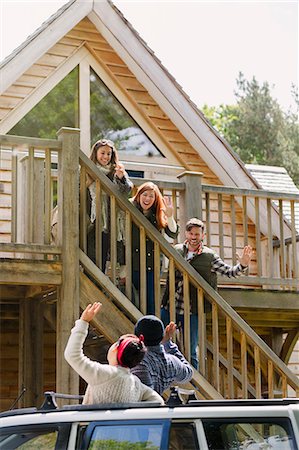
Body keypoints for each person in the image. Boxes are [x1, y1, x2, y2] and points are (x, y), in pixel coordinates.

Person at [161, 217, 253, 369]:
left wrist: (242, 264)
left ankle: (193, 389)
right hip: (170, 305)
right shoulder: (176, 250)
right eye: (191, 234)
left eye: (197, 234)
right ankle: (170, 386)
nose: (194, 237)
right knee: (162, 344)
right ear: (186, 234)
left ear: (203, 235)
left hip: (192, 310)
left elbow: (229, 272)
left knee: (190, 351)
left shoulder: (209, 256)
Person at [64, 302, 164, 405]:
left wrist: (83, 321)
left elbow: (72, 355)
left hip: (93, 421)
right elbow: (159, 402)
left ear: (115, 349)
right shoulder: (135, 384)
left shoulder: (103, 374)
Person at [131, 182, 179, 314]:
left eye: (151, 196)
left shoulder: (158, 214)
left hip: (152, 265)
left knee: (150, 303)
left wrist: (169, 216)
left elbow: (173, 233)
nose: (147, 199)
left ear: (155, 199)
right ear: (139, 195)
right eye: (144, 195)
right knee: (132, 301)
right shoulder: (130, 208)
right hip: (132, 264)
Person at [86, 139, 133, 273]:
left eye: (109, 154)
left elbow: (127, 191)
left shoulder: (117, 170)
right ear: (96, 153)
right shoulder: (88, 169)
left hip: (111, 222)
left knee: (105, 257)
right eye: (102, 153)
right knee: (92, 256)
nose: (106, 157)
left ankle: (101, 287)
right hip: (92, 220)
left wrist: (120, 178)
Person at [131, 315, 193, 395]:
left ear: (140, 337)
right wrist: (168, 343)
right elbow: (188, 373)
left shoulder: (139, 361)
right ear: (161, 336)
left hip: (143, 406)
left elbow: (144, 397)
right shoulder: (171, 362)